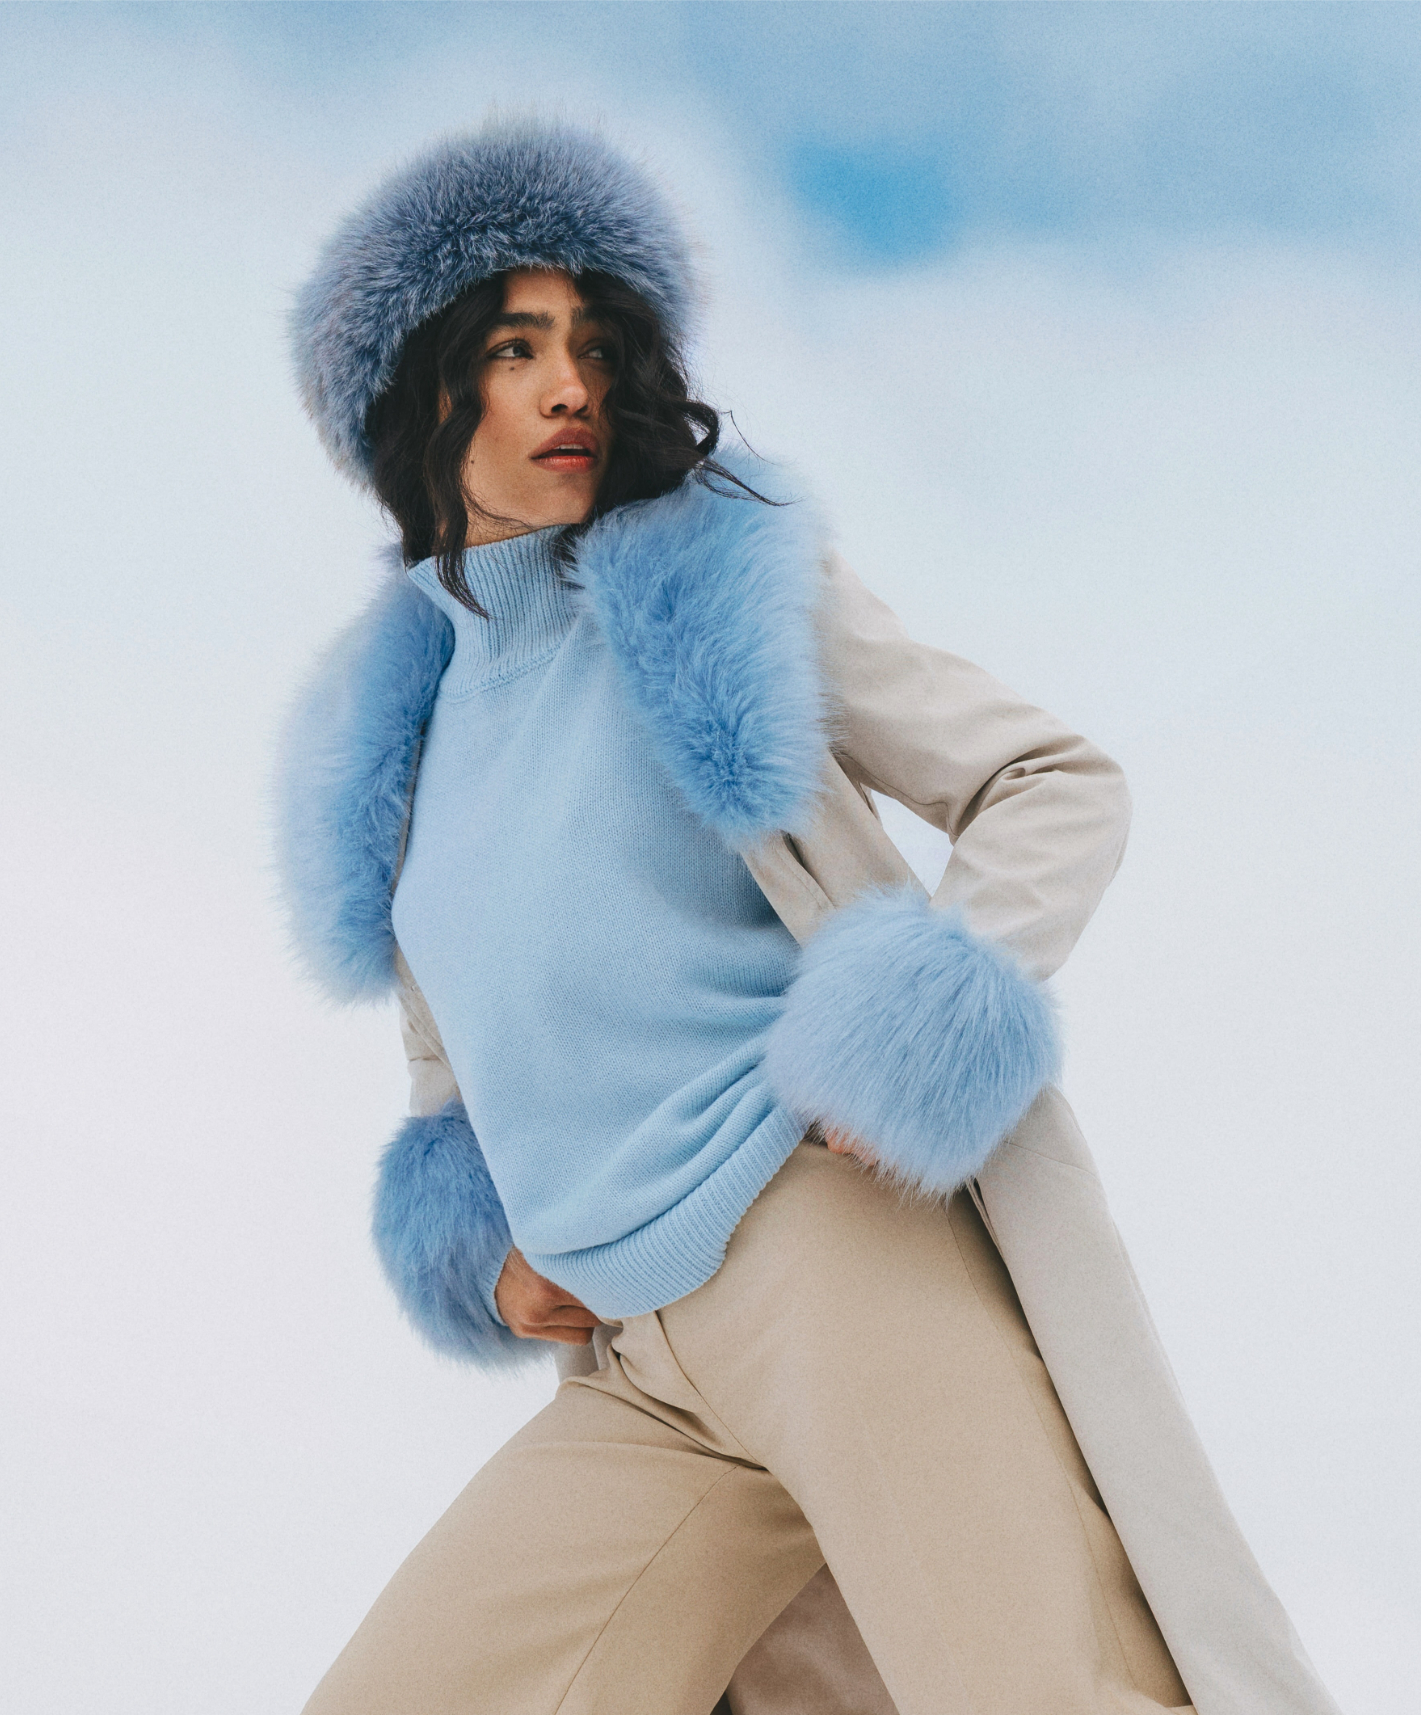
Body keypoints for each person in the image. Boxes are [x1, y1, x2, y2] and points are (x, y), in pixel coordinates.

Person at [275, 120, 1342, 1715]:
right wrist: (480, 1255)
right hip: (637, 1371)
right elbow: (456, 1071)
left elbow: (1049, 779)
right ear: (417, 394)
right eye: (514, 347)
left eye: (593, 343)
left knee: (1042, 1692)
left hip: (831, 1271)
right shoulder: (394, 740)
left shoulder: (710, 580)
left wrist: (907, 1032)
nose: (571, 384)